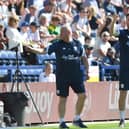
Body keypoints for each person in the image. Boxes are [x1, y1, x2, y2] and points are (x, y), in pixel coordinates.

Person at [27, 25, 89, 129]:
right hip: (62, 76)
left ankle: (77, 119)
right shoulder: (57, 45)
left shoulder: (77, 44)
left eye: (62, 33)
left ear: (67, 33)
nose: (60, 35)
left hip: (76, 75)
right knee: (63, 98)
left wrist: (87, 71)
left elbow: (84, 58)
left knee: (82, 96)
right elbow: (43, 51)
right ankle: (61, 122)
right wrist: (32, 49)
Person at [118, 13, 129, 128]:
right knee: (123, 93)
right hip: (125, 70)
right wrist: (111, 23)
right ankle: (122, 119)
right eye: (128, 20)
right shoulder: (122, 33)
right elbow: (111, 33)